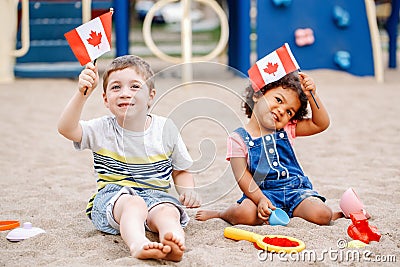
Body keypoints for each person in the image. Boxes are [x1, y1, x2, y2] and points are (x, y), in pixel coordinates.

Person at [58, 55, 201, 261]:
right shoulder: (102, 129)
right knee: (134, 204)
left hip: (156, 196)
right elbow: (66, 128)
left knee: (168, 212)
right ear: (106, 99)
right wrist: (82, 94)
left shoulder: (165, 129)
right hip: (115, 199)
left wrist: (188, 190)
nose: (125, 93)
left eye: (135, 86)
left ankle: (174, 242)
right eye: (116, 87)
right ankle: (138, 243)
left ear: (151, 96)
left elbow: (180, 170)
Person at [196, 71, 341, 226]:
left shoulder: (287, 128)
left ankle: (322, 213)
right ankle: (221, 214)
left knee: (322, 215)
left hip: (295, 191)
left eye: (289, 112)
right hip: (261, 193)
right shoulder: (238, 138)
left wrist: (312, 96)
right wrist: (260, 199)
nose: (281, 110)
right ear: (258, 95)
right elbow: (242, 176)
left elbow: (321, 124)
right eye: (278, 100)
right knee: (243, 215)